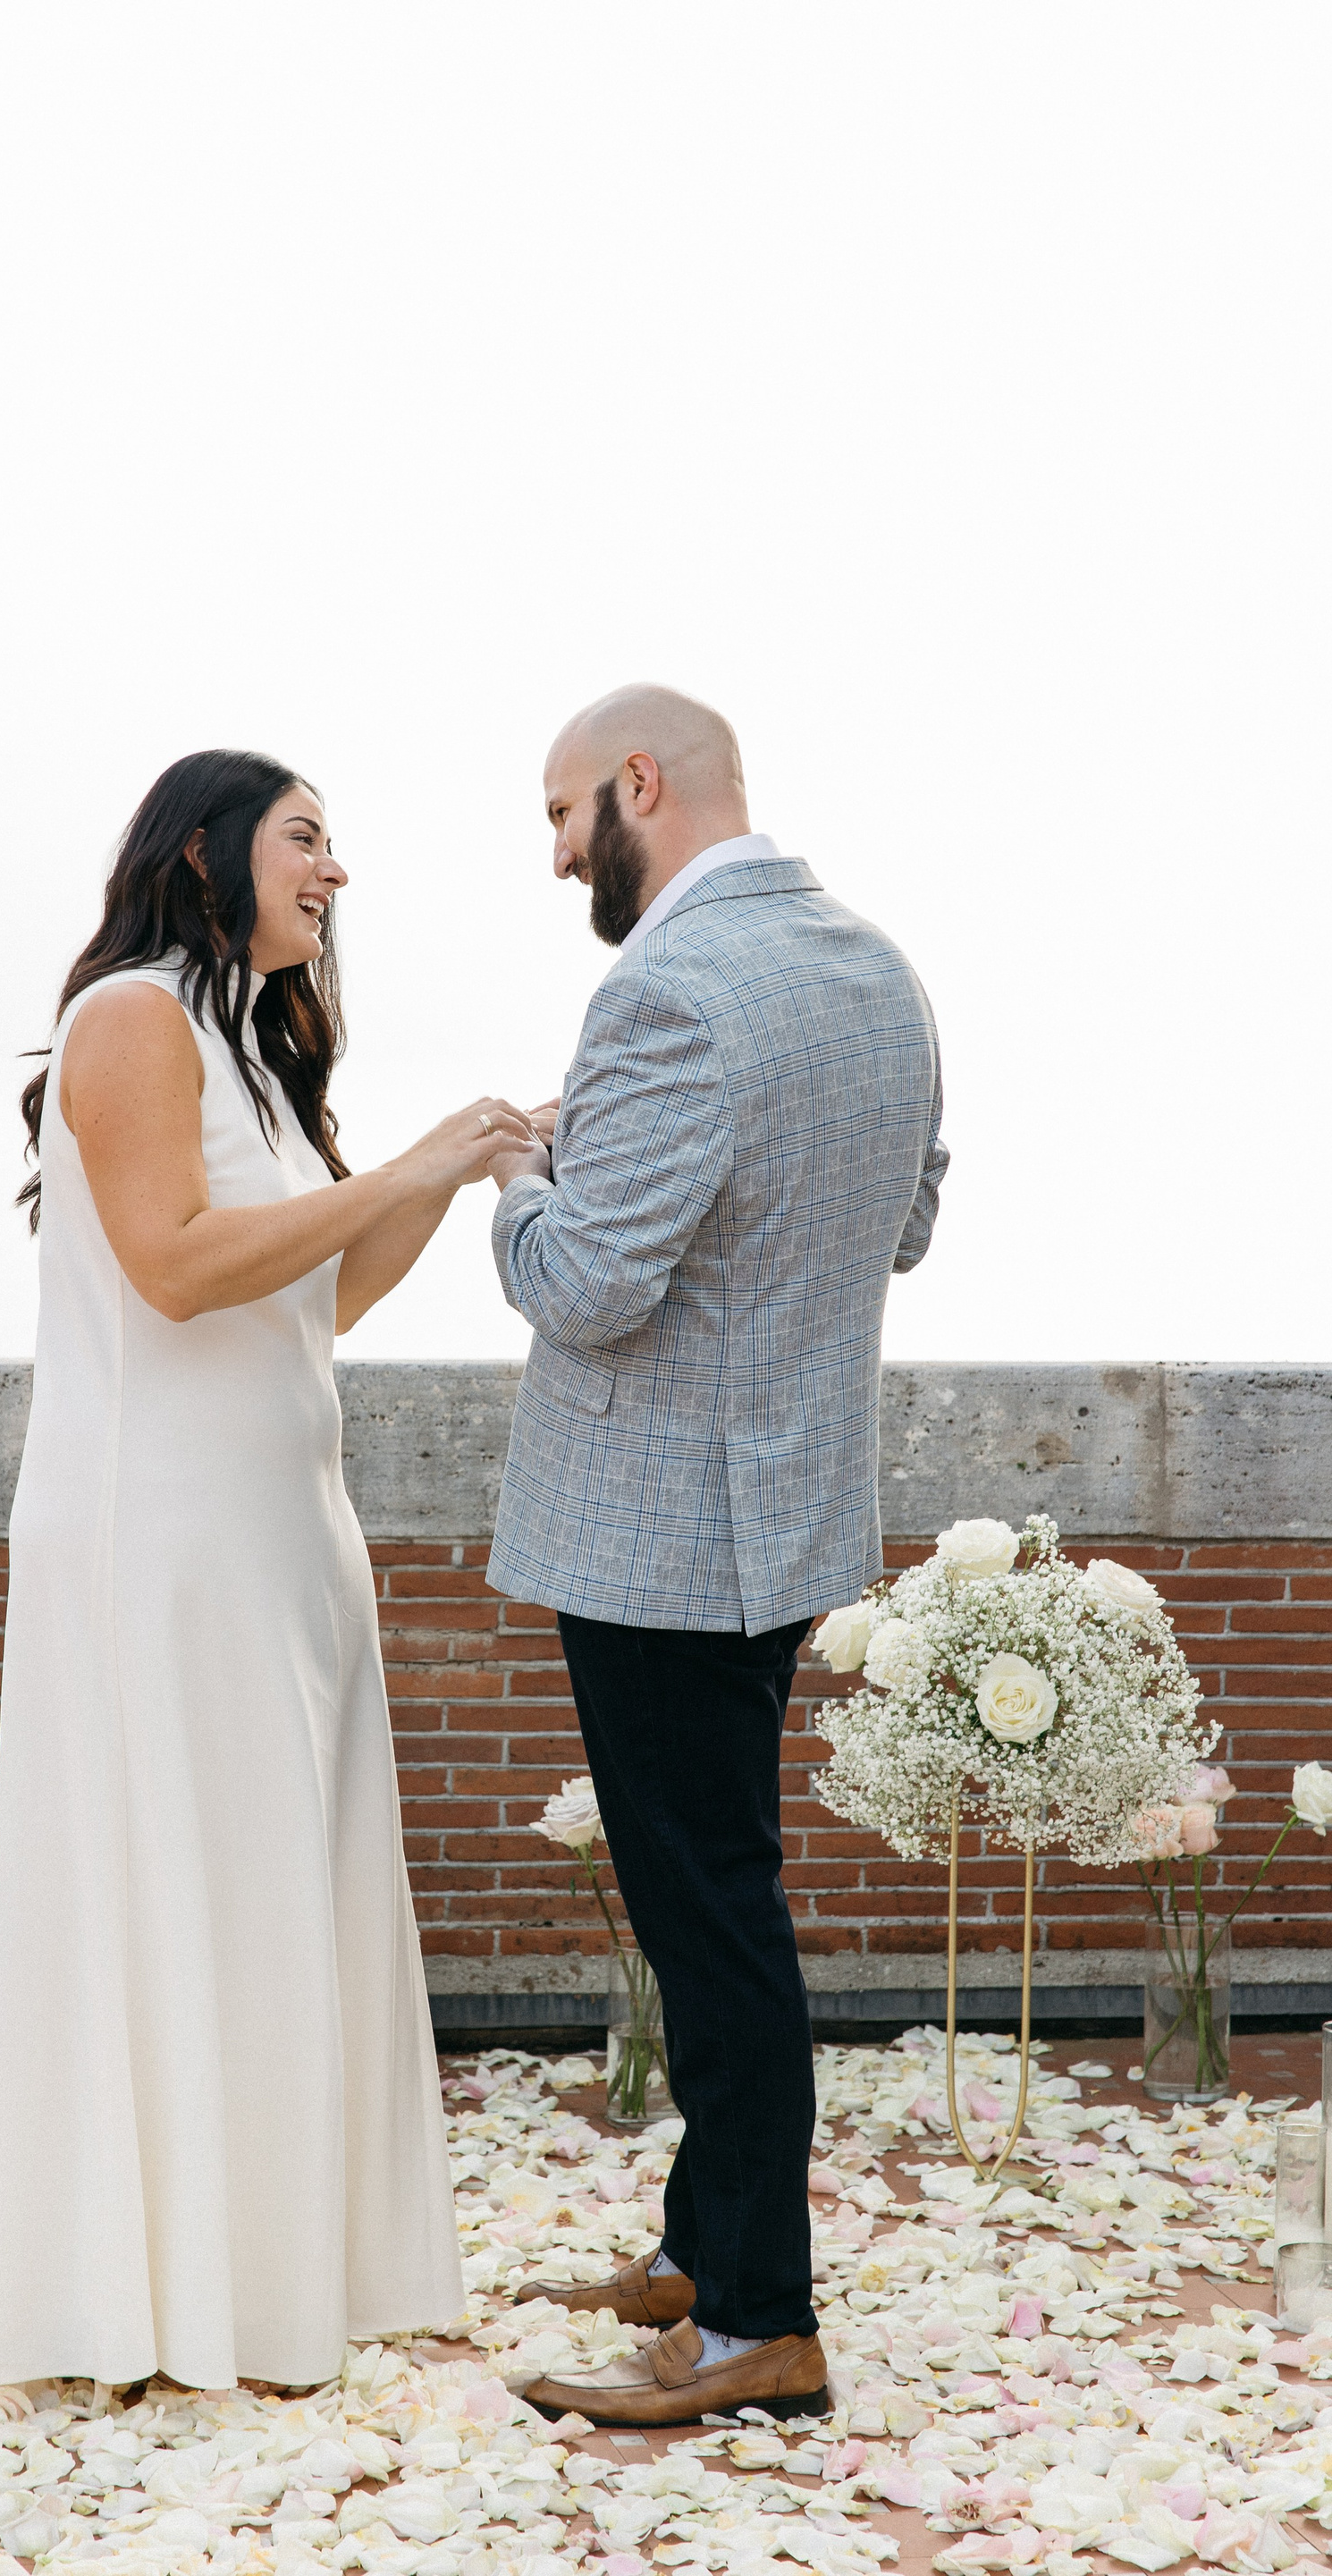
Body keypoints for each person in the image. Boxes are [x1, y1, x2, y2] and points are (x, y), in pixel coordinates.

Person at [0, 748, 538, 2393]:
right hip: (163, 1539)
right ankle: (149, 2300)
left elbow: (317, 1301)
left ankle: (278, 2283)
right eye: (306, 837)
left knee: (280, 1889)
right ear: (207, 854)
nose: (335, 871)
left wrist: (450, 1173)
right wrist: (403, 1167)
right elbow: (170, 1266)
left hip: (284, 1534)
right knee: (182, 1883)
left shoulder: (251, 1049)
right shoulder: (132, 1014)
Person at [483, 684, 948, 2428]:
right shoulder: (878, 968)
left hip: (660, 1543)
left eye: (562, 815)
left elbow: (588, 1283)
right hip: (785, 1518)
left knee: (714, 1928)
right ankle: (703, 2246)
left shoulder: (664, 988)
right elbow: (904, 1222)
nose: (557, 857)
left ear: (640, 783)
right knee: (718, 1902)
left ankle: (759, 2316)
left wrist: (524, 1179)